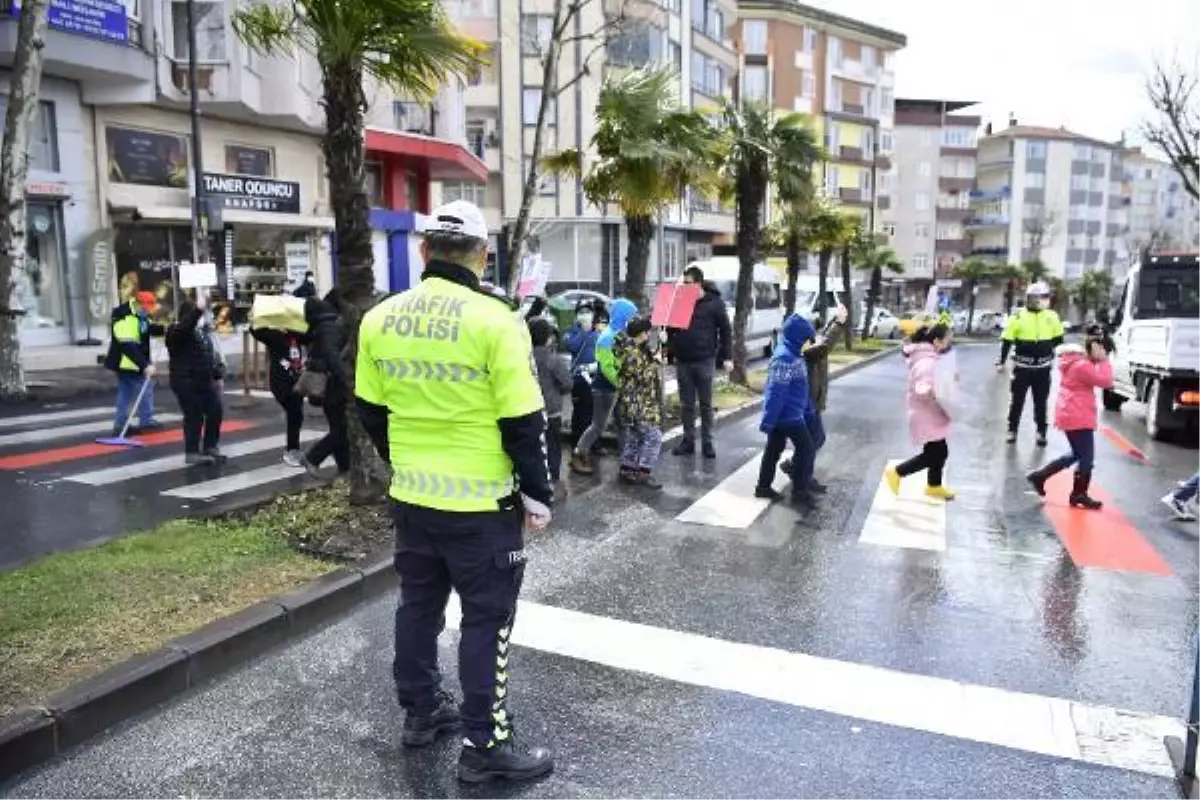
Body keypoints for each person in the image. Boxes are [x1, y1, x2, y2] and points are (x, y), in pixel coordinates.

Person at [354, 199, 554, 784]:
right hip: (483, 507)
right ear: (481, 255)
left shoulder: (380, 318)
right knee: (485, 621)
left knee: (418, 606)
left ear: (424, 251)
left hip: (414, 500)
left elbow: (370, 411)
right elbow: (525, 421)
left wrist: (406, 462)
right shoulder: (497, 321)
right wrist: (538, 495)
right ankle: (486, 745)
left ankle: (420, 713)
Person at [1025, 328, 1113, 510]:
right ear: (1095, 347)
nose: (1105, 354)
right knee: (1086, 457)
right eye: (1104, 350)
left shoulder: (1076, 362)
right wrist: (1103, 361)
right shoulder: (1083, 366)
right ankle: (1077, 493)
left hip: (1072, 411)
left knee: (1077, 454)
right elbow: (1106, 381)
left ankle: (1042, 477)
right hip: (1078, 414)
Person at [780, 307, 849, 492]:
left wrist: (835, 320)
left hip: (810, 402)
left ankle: (796, 468)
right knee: (814, 440)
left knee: (813, 440)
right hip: (805, 404)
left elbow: (821, 339)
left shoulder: (805, 343)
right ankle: (801, 475)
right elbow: (823, 347)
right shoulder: (802, 351)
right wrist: (839, 323)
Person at [885, 323, 956, 501]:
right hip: (926, 414)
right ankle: (897, 472)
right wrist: (931, 392)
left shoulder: (931, 358)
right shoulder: (926, 362)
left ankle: (934, 486)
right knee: (936, 453)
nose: (949, 345)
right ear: (936, 341)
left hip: (931, 413)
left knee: (939, 451)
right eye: (947, 341)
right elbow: (922, 387)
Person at [755, 314, 820, 508]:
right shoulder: (784, 357)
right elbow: (776, 392)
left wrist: (807, 408)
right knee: (806, 449)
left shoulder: (793, 352)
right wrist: (768, 420)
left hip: (790, 413)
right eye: (807, 338)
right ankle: (799, 492)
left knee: (774, 450)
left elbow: (799, 388)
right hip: (787, 416)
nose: (809, 342)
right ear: (798, 337)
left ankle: (763, 487)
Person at [668, 266, 733, 459]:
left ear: (698, 283)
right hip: (684, 362)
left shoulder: (714, 303)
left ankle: (707, 442)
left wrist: (727, 357)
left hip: (705, 360)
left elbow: (726, 330)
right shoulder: (680, 301)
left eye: (687, 283)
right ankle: (688, 441)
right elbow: (672, 329)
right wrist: (669, 345)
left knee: (705, 404)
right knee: (686, 404)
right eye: (683, 283)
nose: (684, 287)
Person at [570, 297, 637, 475]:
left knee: (623, 424)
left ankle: (626, 462)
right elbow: (607, 367)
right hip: (605, 389)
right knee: (598, 426)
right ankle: (578, 454)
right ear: (623, 315)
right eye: (631, 315)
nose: (633, 319)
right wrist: (622, 383)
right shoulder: (608, 337)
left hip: (616, 387)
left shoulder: (620, 334)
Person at [997, 282, 1064, 446]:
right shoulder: (1018, 317)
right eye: (1042, 298)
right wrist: (1002, 361)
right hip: (1022, 368)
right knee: (1017, 401)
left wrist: (1051, 353)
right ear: (1031, 299)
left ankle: (1041, 432)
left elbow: (1059, 340)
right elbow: (1007, 340)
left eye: (1046, 298)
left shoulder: (1052, 316)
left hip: (1043, 368)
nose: (1044, 301)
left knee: (1041, 403)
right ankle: (1012, 430)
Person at [165, 301, 225, 464]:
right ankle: (191, 452)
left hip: (204, 380)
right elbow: (185, 326)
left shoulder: (202, 333)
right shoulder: (176, 331)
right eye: (200, 314)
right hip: (186, 381)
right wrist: (197, 310)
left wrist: (217, 374)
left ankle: (210, 446)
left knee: (215, 411)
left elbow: (208, 356)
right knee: (194, 416)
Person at [301, 292, 351, 476]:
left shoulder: (320, 326)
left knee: (338, 427)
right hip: (335, 385)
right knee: (345, 428)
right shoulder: (330, 326)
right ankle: (314, 457)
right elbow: (332, 355)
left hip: (329, 385)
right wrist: (346, 377)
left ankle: (345, 469)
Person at [104, 291, 164, 436]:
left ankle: (120, 425)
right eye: (146, 309)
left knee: (125, 393)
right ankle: (146, 422)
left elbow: (146, 328)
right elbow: (128, 346)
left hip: (132, 361)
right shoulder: (123, 317)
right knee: (145, 389)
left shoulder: (139, 315)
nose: (147, 312)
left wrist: (163, 329)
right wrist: (145, 365)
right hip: (127, 362)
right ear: (138, 304)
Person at [614, 314, 664, 488]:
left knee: (635, 436)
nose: (649, 335)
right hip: (638, 402)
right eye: (646, 332)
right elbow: (643, 375)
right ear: (640, 333)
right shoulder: (631, 353)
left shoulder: (635, 349)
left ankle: (627, 469)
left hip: (635, 402)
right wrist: (657, 362)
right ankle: (644, 472)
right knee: (654, 436)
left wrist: (658, 349)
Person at [251, 322, 308, 467]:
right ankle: (291, 451)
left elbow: (312, 335)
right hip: (281, 383)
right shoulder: (275, 336)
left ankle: (293, 449)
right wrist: (264, 320)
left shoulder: (298, 333)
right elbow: (256, 331)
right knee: (295, 414)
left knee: (297, 415)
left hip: (297, 381)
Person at [529, 317, 572, 500]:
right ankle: (553, 482)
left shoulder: (523, 357)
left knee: (534, 447)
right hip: (551, 411)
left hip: (529, 409)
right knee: (553, 446)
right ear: (548, 337)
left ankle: (534, 483)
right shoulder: (552, 359)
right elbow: (567, 383)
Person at [566, 303, 607, 447]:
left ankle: (595, 443)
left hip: (595, 378)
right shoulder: (572, 331)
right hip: (579, 379)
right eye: (582, 312)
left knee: (595, 413)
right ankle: (577, 442)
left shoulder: (597, 331)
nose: (585, 314)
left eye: (588, 312)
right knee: (580, 412)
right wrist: (583, 331)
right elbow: (572, 346)